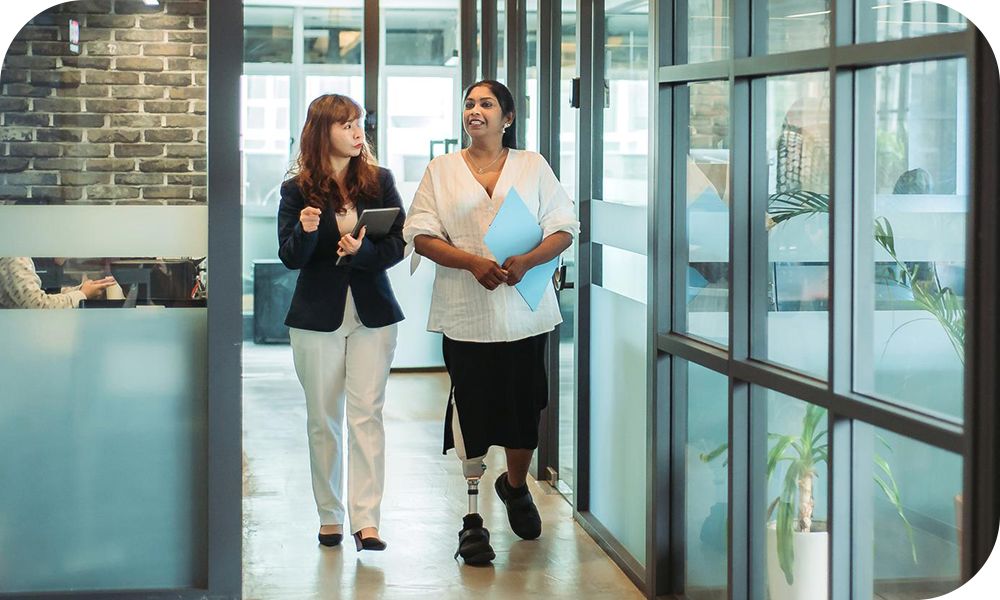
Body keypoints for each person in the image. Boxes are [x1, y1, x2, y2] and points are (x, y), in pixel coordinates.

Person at [403, 80, 579, 565]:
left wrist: (526, 260)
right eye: (469, 104)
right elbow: (418, 232)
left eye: (486, 104)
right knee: (472, 412)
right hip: (466, 316)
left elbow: (564, 226)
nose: (475, 111)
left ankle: (516, 485)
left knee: (526, 411)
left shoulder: (532, 165)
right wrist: (470, 262)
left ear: (508, 117)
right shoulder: (441, 170)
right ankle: (473, 518)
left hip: (525, 311)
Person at [277, 94, 405, 552]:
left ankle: (367, 521)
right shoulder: (297, 191)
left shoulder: (379, 181)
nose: (357, 133)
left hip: (373, 314)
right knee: (322, 419)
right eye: (347, 124)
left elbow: (397, 244)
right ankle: (329, 516)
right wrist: (307, 231)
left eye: (360, 124)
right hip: (316, 318)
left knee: (366, 416)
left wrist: (362, 252)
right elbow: (290, 258)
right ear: (322, 130)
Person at [0, 257, 115, 309]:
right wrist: (82, 295)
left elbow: (42, 293)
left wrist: (83, 290)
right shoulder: (13, 258)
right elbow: (37, 306)